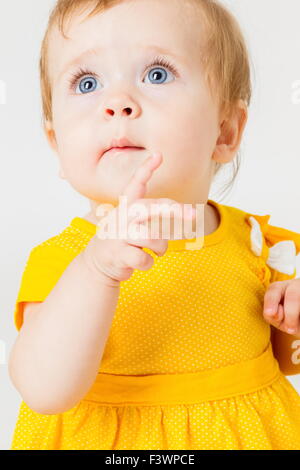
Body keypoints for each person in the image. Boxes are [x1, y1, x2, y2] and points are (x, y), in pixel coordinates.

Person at [9, 0, 300, 450]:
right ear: (56, 143)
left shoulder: (260, 245)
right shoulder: (66, 261)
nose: (117, 103)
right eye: (87, 82)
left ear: (224, 131)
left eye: (157, 74)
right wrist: (96, 271)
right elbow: (44, 392)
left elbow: (288, 361)